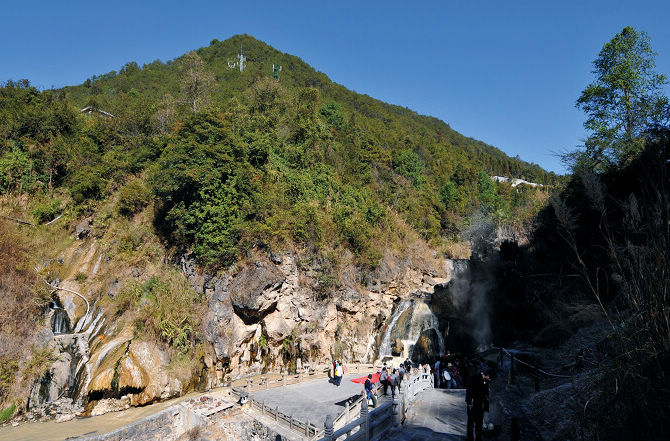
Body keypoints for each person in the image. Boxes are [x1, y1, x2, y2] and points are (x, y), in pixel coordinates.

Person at [466, 369, 491, 441]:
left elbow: (486, 395)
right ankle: (470, 438)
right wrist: (469, 402)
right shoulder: (474, 378)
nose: (490, 379)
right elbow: (469, 390)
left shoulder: (486, 381)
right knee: (471, 422)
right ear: (486, 375)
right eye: (489, 377)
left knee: (479, 422)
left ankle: (478, 438)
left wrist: (486, 408)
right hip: (473, 403)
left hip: (480, 405)